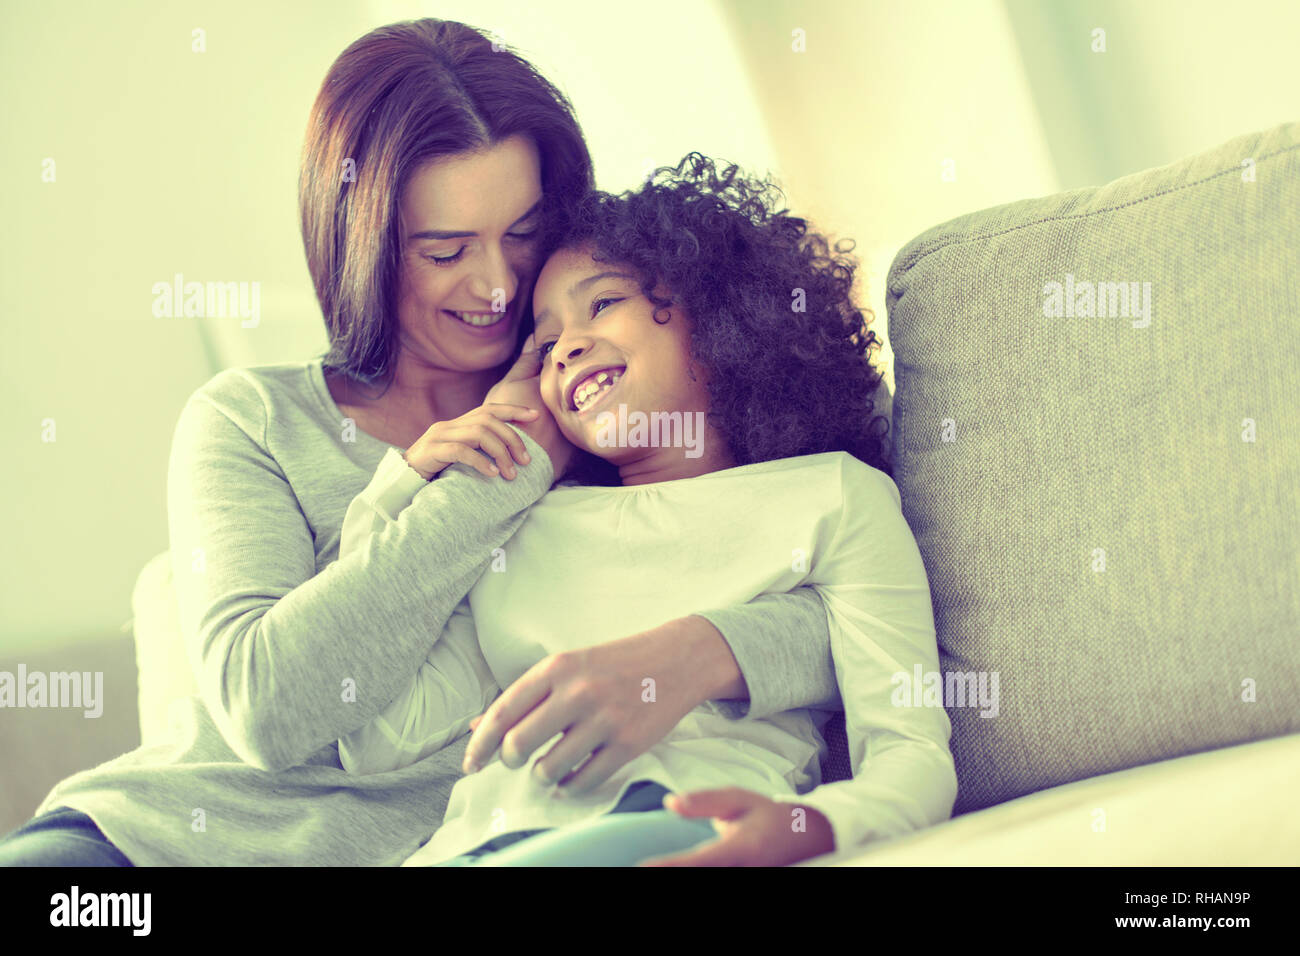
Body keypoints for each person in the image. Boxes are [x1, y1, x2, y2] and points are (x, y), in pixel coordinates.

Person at [0, 20, 841, 867]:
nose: (497, 285)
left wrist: (699, 654)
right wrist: (505, 474)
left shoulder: (608, 403)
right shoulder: (251, 420)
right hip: (145, 850)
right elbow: (268, 706)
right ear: (362, 247)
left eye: (522, 233)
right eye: (446, 251)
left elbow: (842, 585)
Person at [333, 155, 957, 867]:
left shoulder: (833, 498)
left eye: (602, 305)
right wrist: (403, 482)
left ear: (720, 316)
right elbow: (374, 736)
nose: (566, 347)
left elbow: (911, 756)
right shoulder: (529, 530)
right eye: (543, 343)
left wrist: (798, 827)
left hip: (666, 831)